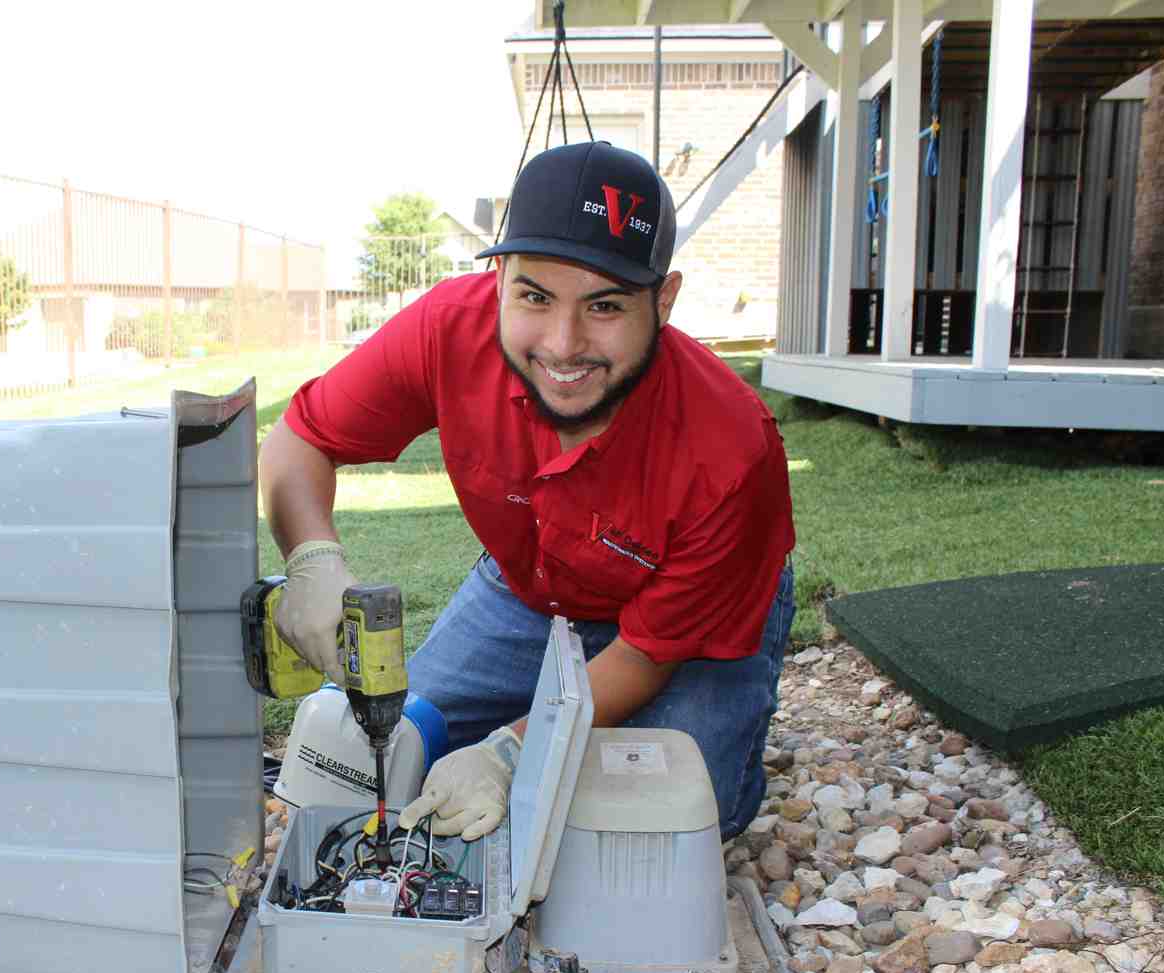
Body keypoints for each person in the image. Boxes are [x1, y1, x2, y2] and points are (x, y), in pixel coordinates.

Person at [260, 141, 795, 845]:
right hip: (529, 590)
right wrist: (313, 559)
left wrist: (512, 752)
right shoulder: (449, 328)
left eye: (605, 305)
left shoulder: (732, 447)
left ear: (663, 300)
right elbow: (299, 437)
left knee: (671, 818)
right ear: (499, 278)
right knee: (386, 754)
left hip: (684, 626)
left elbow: (646, 652)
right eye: (534, 297)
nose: (562, 343)